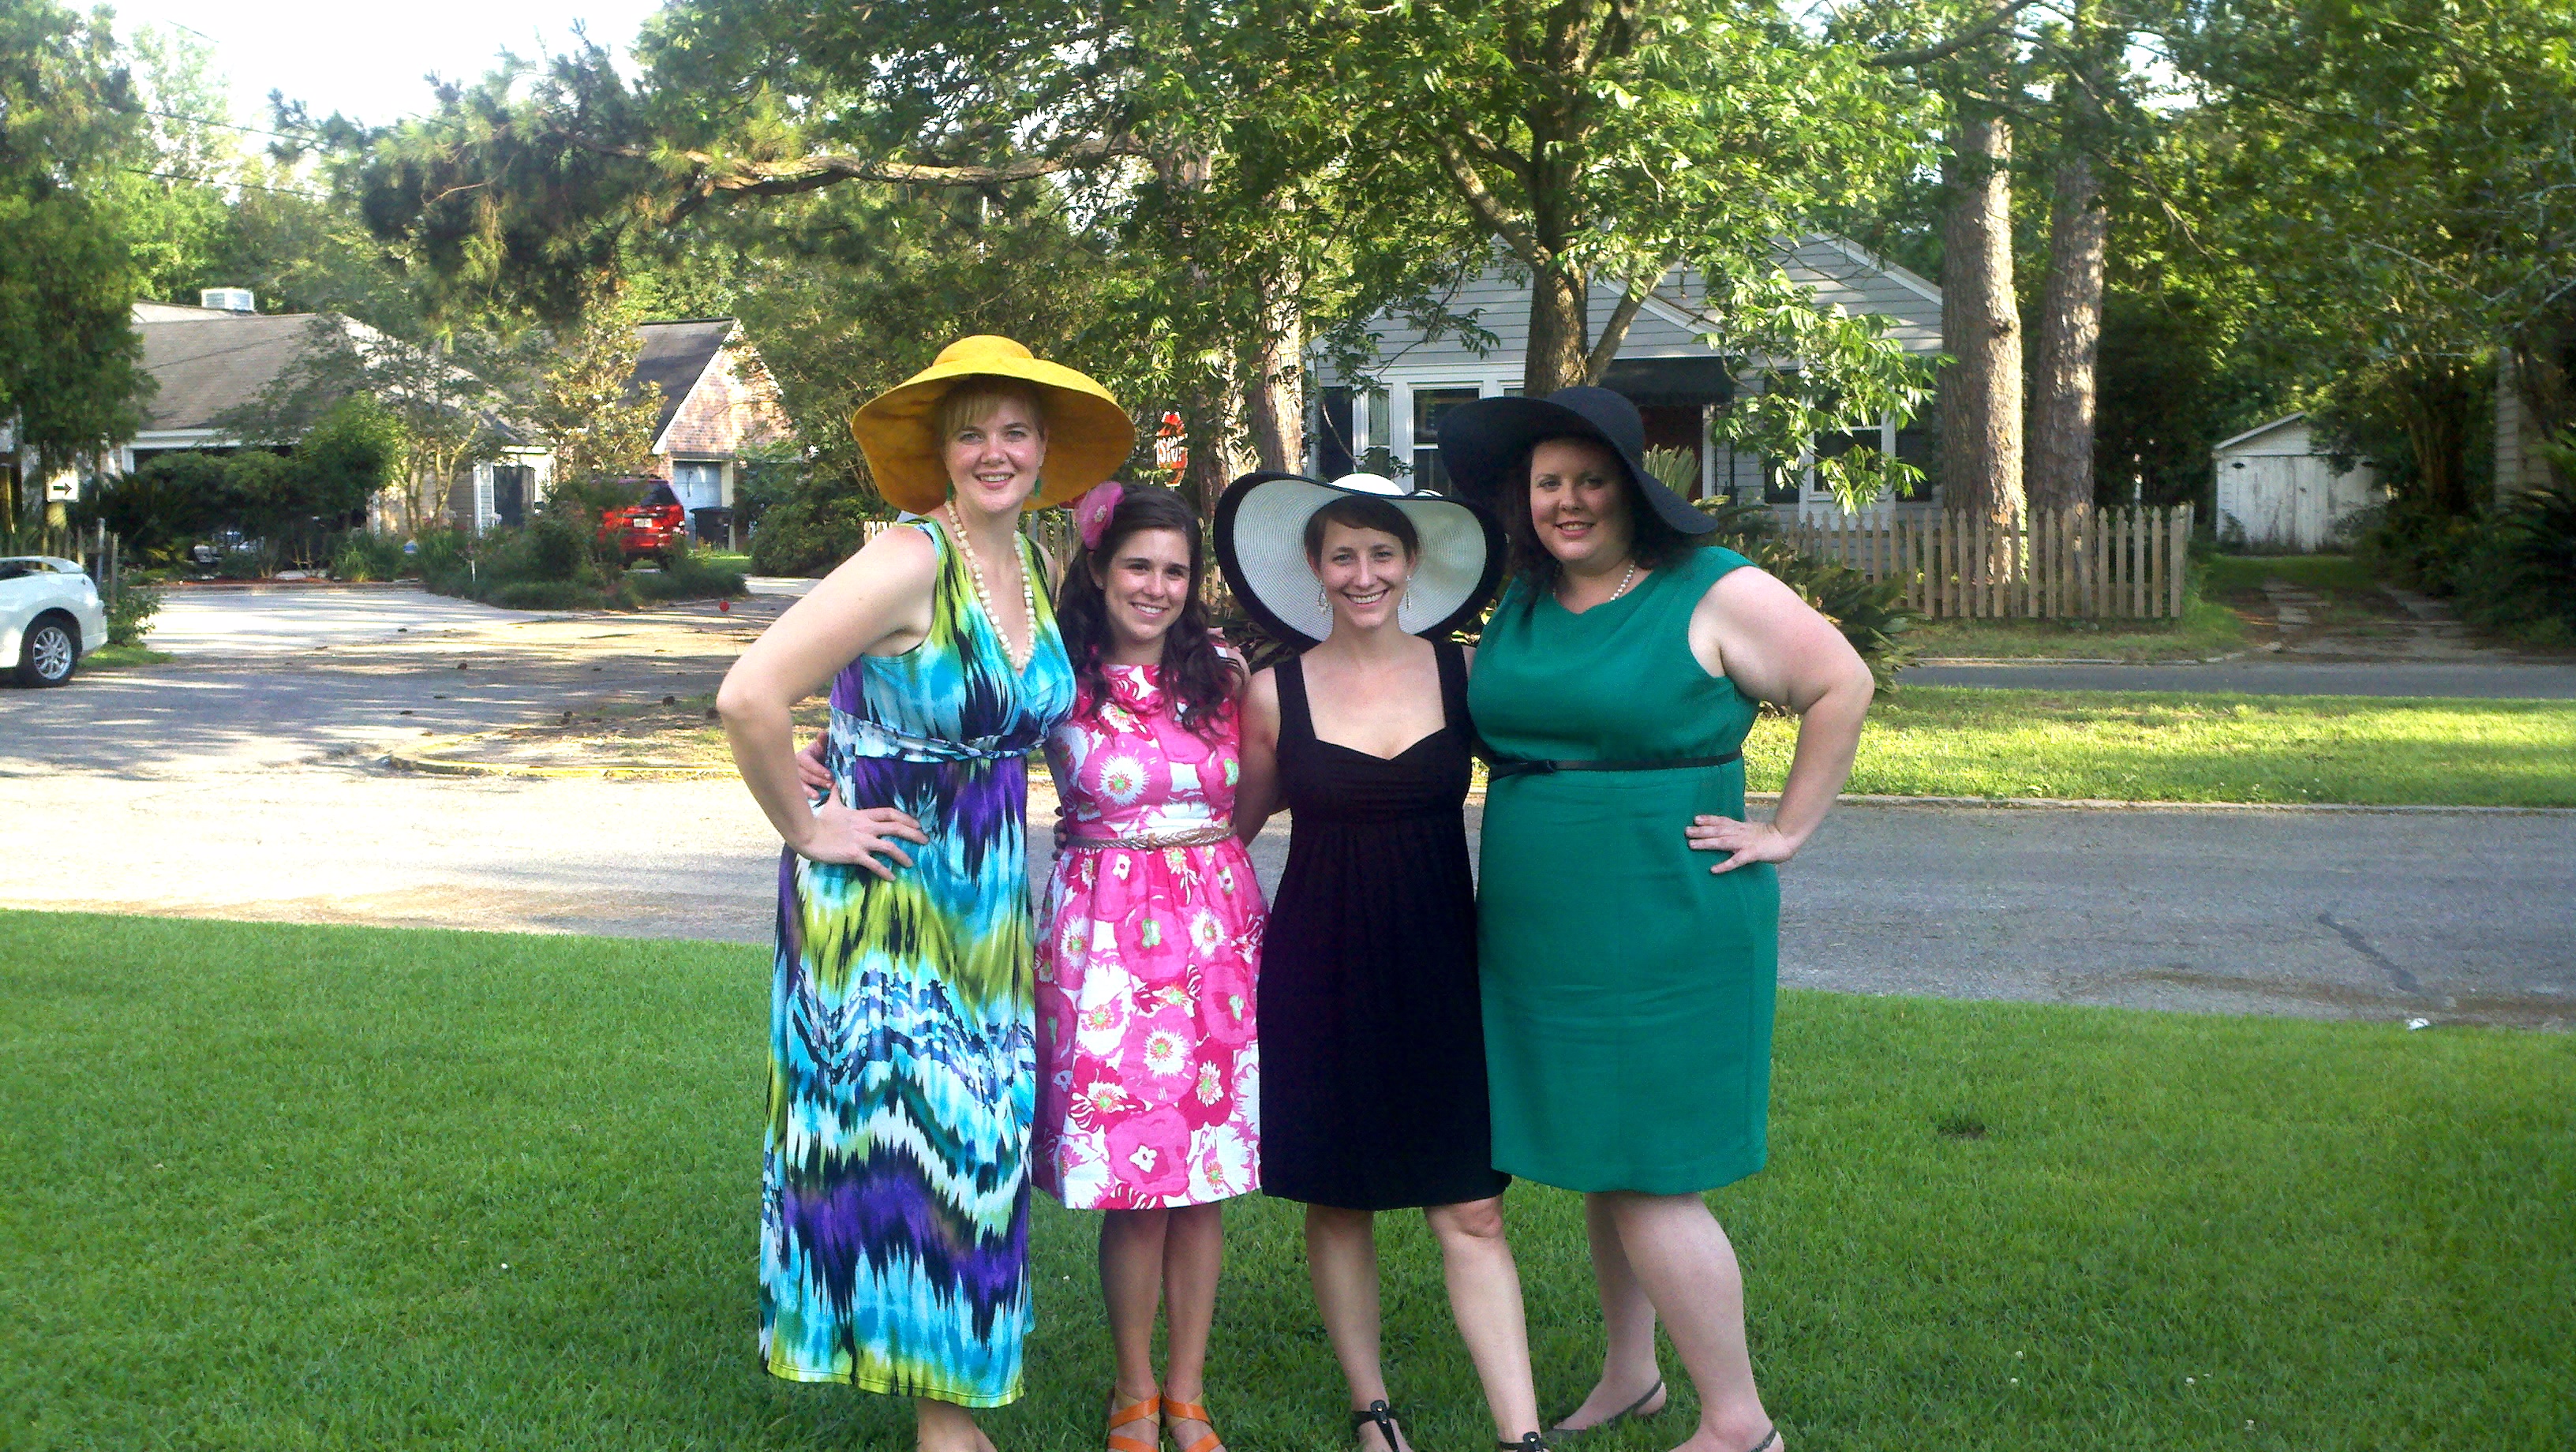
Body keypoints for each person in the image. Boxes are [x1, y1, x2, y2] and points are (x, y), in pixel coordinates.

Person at [1437, 387, 1875, 1452]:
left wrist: (1787, 829)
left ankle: (1740, 1422)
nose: (1568, 501)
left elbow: (1841, 682)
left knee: (1650, 1175)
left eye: (1591, 481)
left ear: (1635, 491)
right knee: (1606, 1158)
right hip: (1546, 925)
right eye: (1548, 483)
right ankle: (1632, 1376)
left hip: (1666, 918)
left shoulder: (1710, 587)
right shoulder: (1525, 599)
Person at [716, 335, 1132, 1451]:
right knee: (920, 1150)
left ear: (1044, 450)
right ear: (941, 453)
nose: (996, 451)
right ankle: (948, 1425)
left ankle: (945, 1406)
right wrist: (808, 824)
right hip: (884, 905)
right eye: (971, 432)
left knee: (978, 1148)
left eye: (1016, 431)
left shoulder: (1031, 563)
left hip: (981, 902)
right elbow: (750, 694)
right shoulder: (910, 556)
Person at [1215, 470, 1548, 1452]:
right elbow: (1227, 831)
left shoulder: (1468, 674)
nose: (1363, 574)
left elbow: (1568, 754)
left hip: (1446, 962)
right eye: (1343, 556)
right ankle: (1373, 1408)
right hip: (1319, 966)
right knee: (1339, 1196)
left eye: (1382, 553)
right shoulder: (1272, 692)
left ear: (1412, 564)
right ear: (1315, 570)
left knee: (1473, 1206)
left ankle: (1522, 1434)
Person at [1034, 481, 1266, 1452]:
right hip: (1103, 953)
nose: (1156, 586)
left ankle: (1188, 1388)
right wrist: (830, 760)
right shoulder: (1054, 676)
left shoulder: (1223, 672)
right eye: (1138, 565)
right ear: (1098, 568)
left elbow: (1259, 788)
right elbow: (955, 745)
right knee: (1135, 1187)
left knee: (1203, 1178)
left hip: (1216, 946)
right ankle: (1133, 1386)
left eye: (1175, 570)